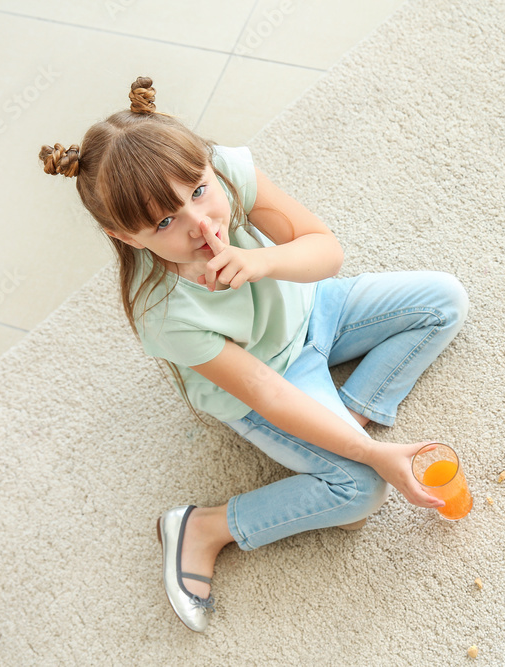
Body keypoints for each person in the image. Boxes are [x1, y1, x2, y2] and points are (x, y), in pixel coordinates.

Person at [39, 77, 468, 632]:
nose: (201, 224)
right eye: (164, 223)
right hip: (268, 376)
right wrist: (371, 458)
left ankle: (348, 414)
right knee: (362, 490)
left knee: (445, 299)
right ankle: (204, 527)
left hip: (316, 308)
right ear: (122, 235)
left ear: (206, 167)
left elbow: (325, 251)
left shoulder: (222, 170)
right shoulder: (164, 313)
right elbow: (266, 393)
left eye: (198, 191)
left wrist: (262, 264)